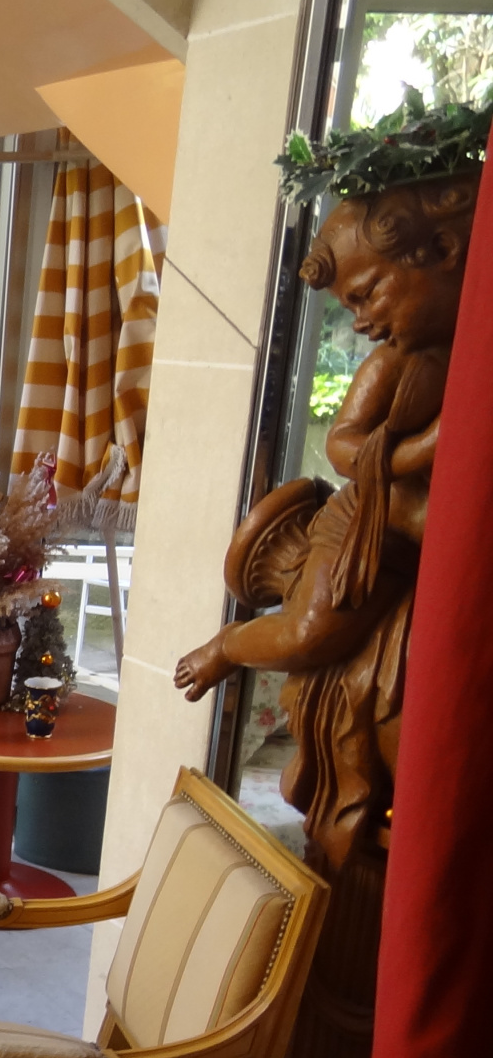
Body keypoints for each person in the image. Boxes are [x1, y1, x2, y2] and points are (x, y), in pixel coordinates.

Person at [174, 170, 476, 870]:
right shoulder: (391, 366)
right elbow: (343, 445)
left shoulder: (462, 357)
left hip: (408, 525)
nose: (360, 320)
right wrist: (425, 446)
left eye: (367, 294)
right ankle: (230, 645)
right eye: (351, 305)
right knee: (310, 633)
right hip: (365, 525)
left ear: (443, 251)